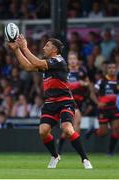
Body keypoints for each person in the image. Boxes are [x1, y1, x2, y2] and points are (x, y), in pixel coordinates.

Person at [8, 34, 93, 169]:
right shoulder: (48, 65)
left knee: (68, 129)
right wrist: (16, 50)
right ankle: (55, 155)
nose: (43, 48)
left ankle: (85, 159)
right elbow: (28, 67)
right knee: (43, 131)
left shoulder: (59, 61)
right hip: (50, 103)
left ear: (54, 50)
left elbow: (36, 63)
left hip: (65, 101)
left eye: (47, 45)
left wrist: (24, 47)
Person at [58, 51, 90, 155]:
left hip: (79, 101)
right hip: (68, 101)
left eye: (74, 59)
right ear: (68, 61)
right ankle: (79, 149)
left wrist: (84, 83)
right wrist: (77, 84)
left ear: (77, 60)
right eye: (70, 59)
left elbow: (88, 83)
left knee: (68, 129)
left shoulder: (82, 71)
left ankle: (59, 148)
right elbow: (63, 86)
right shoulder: (65, 71)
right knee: (77, 123)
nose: (72, 61)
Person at [85, 62, 119, 155]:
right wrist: (98, 103)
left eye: (113, 67)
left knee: (116, 129)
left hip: (114, 109)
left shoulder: (117, 81)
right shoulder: (102, 81)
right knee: (103, 133)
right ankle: (92, 130)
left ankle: (110, 152)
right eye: (110, 68)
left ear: (116, 69)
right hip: (103, 110)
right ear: (107, 70)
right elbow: (92, 93)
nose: (112, 69)